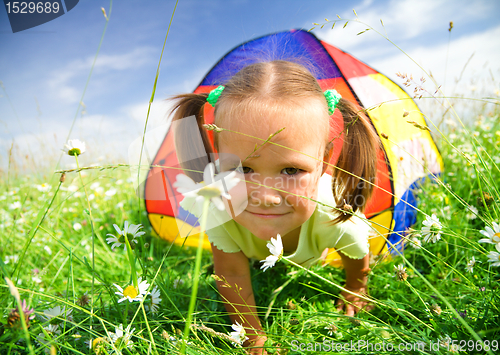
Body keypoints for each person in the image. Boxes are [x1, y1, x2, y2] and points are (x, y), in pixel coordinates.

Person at [170, 60, 380, 354]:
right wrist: (253, 337)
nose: (265, 196)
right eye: (243, 168)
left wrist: (356, 288)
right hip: (253, 254)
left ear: (323, 162)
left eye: (291, 170)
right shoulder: (219, 206)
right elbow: (231, 274)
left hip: (314, 251)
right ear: (218, 157)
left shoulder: (336, 212)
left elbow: (357, 254)